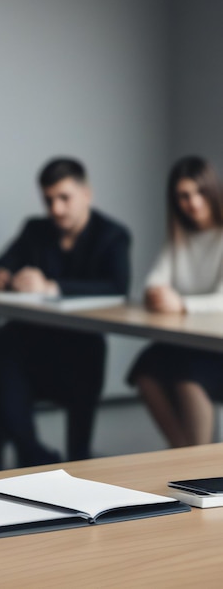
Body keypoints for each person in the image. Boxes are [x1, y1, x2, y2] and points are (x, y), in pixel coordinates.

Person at [0, 158, 130, 468]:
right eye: (49, 200)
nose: (56, 209)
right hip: (34, 349)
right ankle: (31, 452)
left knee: (2, 359)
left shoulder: (113, 235)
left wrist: (51, 287)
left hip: (79, 353)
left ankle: (34, 455)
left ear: (86, 194)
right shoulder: (36, 230)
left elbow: (117, 287)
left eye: (65, 198)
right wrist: (3, 277)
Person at [128, 155, 223, 448]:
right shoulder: (178, 237)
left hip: (215, 346)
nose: (192, 202)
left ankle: (195, 461)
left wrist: (181, 304)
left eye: (198, 192)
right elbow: (153, 284)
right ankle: (184, 454)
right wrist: (159, 295)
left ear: (212, 191)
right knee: (146, 367)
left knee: (187, 372)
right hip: (189, 341)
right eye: (183, 196)